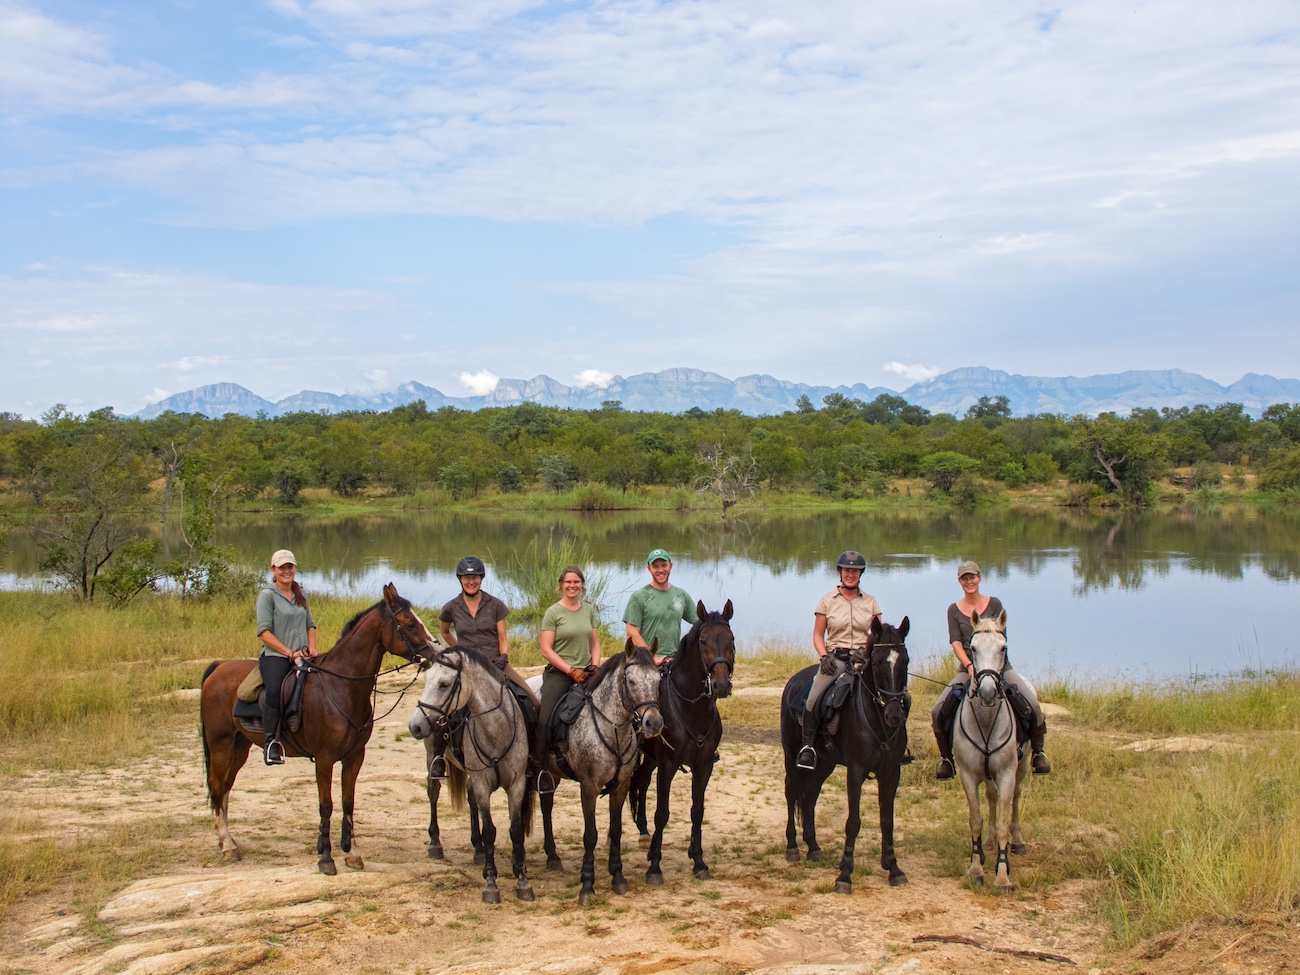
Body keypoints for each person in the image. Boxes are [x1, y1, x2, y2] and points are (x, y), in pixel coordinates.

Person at [931, 560, 1051, 780]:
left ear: (980, 578)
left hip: (999, 668)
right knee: (938, 710)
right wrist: (968, 666)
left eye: (972, 577)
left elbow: (1001, 639)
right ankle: (947, 759)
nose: (969, 582)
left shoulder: (994, 604)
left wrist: (993, 668)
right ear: (959, 581)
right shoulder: (953, 610)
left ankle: (1038, 753)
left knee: (1032, 704)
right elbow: (956, 642)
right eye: (964, 578)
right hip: (968, 668)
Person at [429, 555, 535, 779]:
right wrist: (459, 651)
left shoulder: (495, 605)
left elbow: (502, 636)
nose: (471, 582)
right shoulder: (451, 607)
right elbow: (445, 631)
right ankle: (439, 758)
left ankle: (534, 758)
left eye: (475, 577)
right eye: (467, 578)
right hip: (467, 668)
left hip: (495, 663)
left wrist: (504, 655)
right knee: (443, 709)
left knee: (530, 700)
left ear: (481, 579)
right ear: (460, 580)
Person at [796, 550, 882, 770]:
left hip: (864, 659)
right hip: (836, 659)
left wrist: (867, 650)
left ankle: (894, 745)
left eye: (854, 571)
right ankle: (807, 747)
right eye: (846, 570)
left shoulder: (871, 603)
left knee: (896, 694)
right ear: (840, 573)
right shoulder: (827, 601)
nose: (850, 575)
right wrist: (824, 656)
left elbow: (877, 634)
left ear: (860, 573)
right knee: (813, 697)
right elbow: (818, 634)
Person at [531, 565, 603, 777]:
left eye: (576, 582)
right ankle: (538, 767)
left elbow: (595, 642)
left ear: (582, 585)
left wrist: (596, 666)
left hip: (587, 672)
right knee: (545, 718)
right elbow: (546, 649)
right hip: (560, 673)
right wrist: (571, 671)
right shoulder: (553, 612)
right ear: (561, 585)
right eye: (568, 582)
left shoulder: (588, 610)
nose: (572, 586)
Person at [255, 549, 317, 766]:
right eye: (282, 568)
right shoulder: (267, 596)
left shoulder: (301, 594)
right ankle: (271, 742)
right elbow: (264, 633)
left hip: (303, 653)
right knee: (274, 689)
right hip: (276, 656)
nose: (286, 571)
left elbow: (310, 625)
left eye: (289, 567)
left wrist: (312, 648)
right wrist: (289, 653)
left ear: (295, 568)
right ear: (274, 570)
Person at [623, 548, 697, 665]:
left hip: (673, 661)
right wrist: (652, 657)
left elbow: (700, 624)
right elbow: (631, 633)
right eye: (655, 566)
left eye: (664, 565)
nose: (660, 570)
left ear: (670, 566)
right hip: (644, 662)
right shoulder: (639, 597)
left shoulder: (681, 595)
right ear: (649, 569)